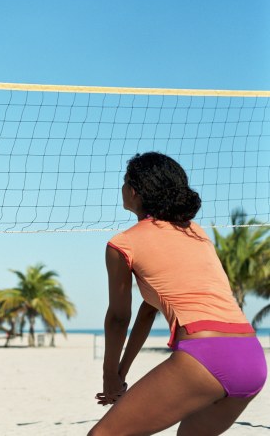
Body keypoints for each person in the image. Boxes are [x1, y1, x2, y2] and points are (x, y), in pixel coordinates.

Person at [90, 152, 266, 436]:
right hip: (251, 357)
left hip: (206, 355)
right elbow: (147, 311)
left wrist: (110, 376)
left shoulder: (122, 244)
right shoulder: (195, 232)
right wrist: (121, 373)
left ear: (133, 191)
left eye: (125, 182)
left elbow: (119, 318)